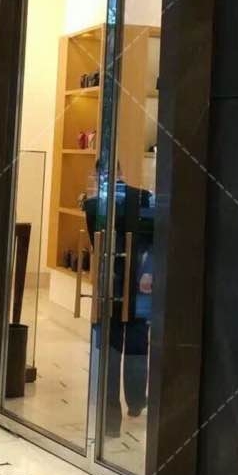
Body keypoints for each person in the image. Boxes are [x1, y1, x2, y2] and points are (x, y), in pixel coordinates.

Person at [84, 162, 154, 437]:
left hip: (111, 284)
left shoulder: (93, 206)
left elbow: (97, 246)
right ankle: (135, 402)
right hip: (139, 282)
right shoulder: (144, 197)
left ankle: (110, 419)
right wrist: (149, 271)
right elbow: (154, 240)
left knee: (112, 347)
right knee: (136, 344)